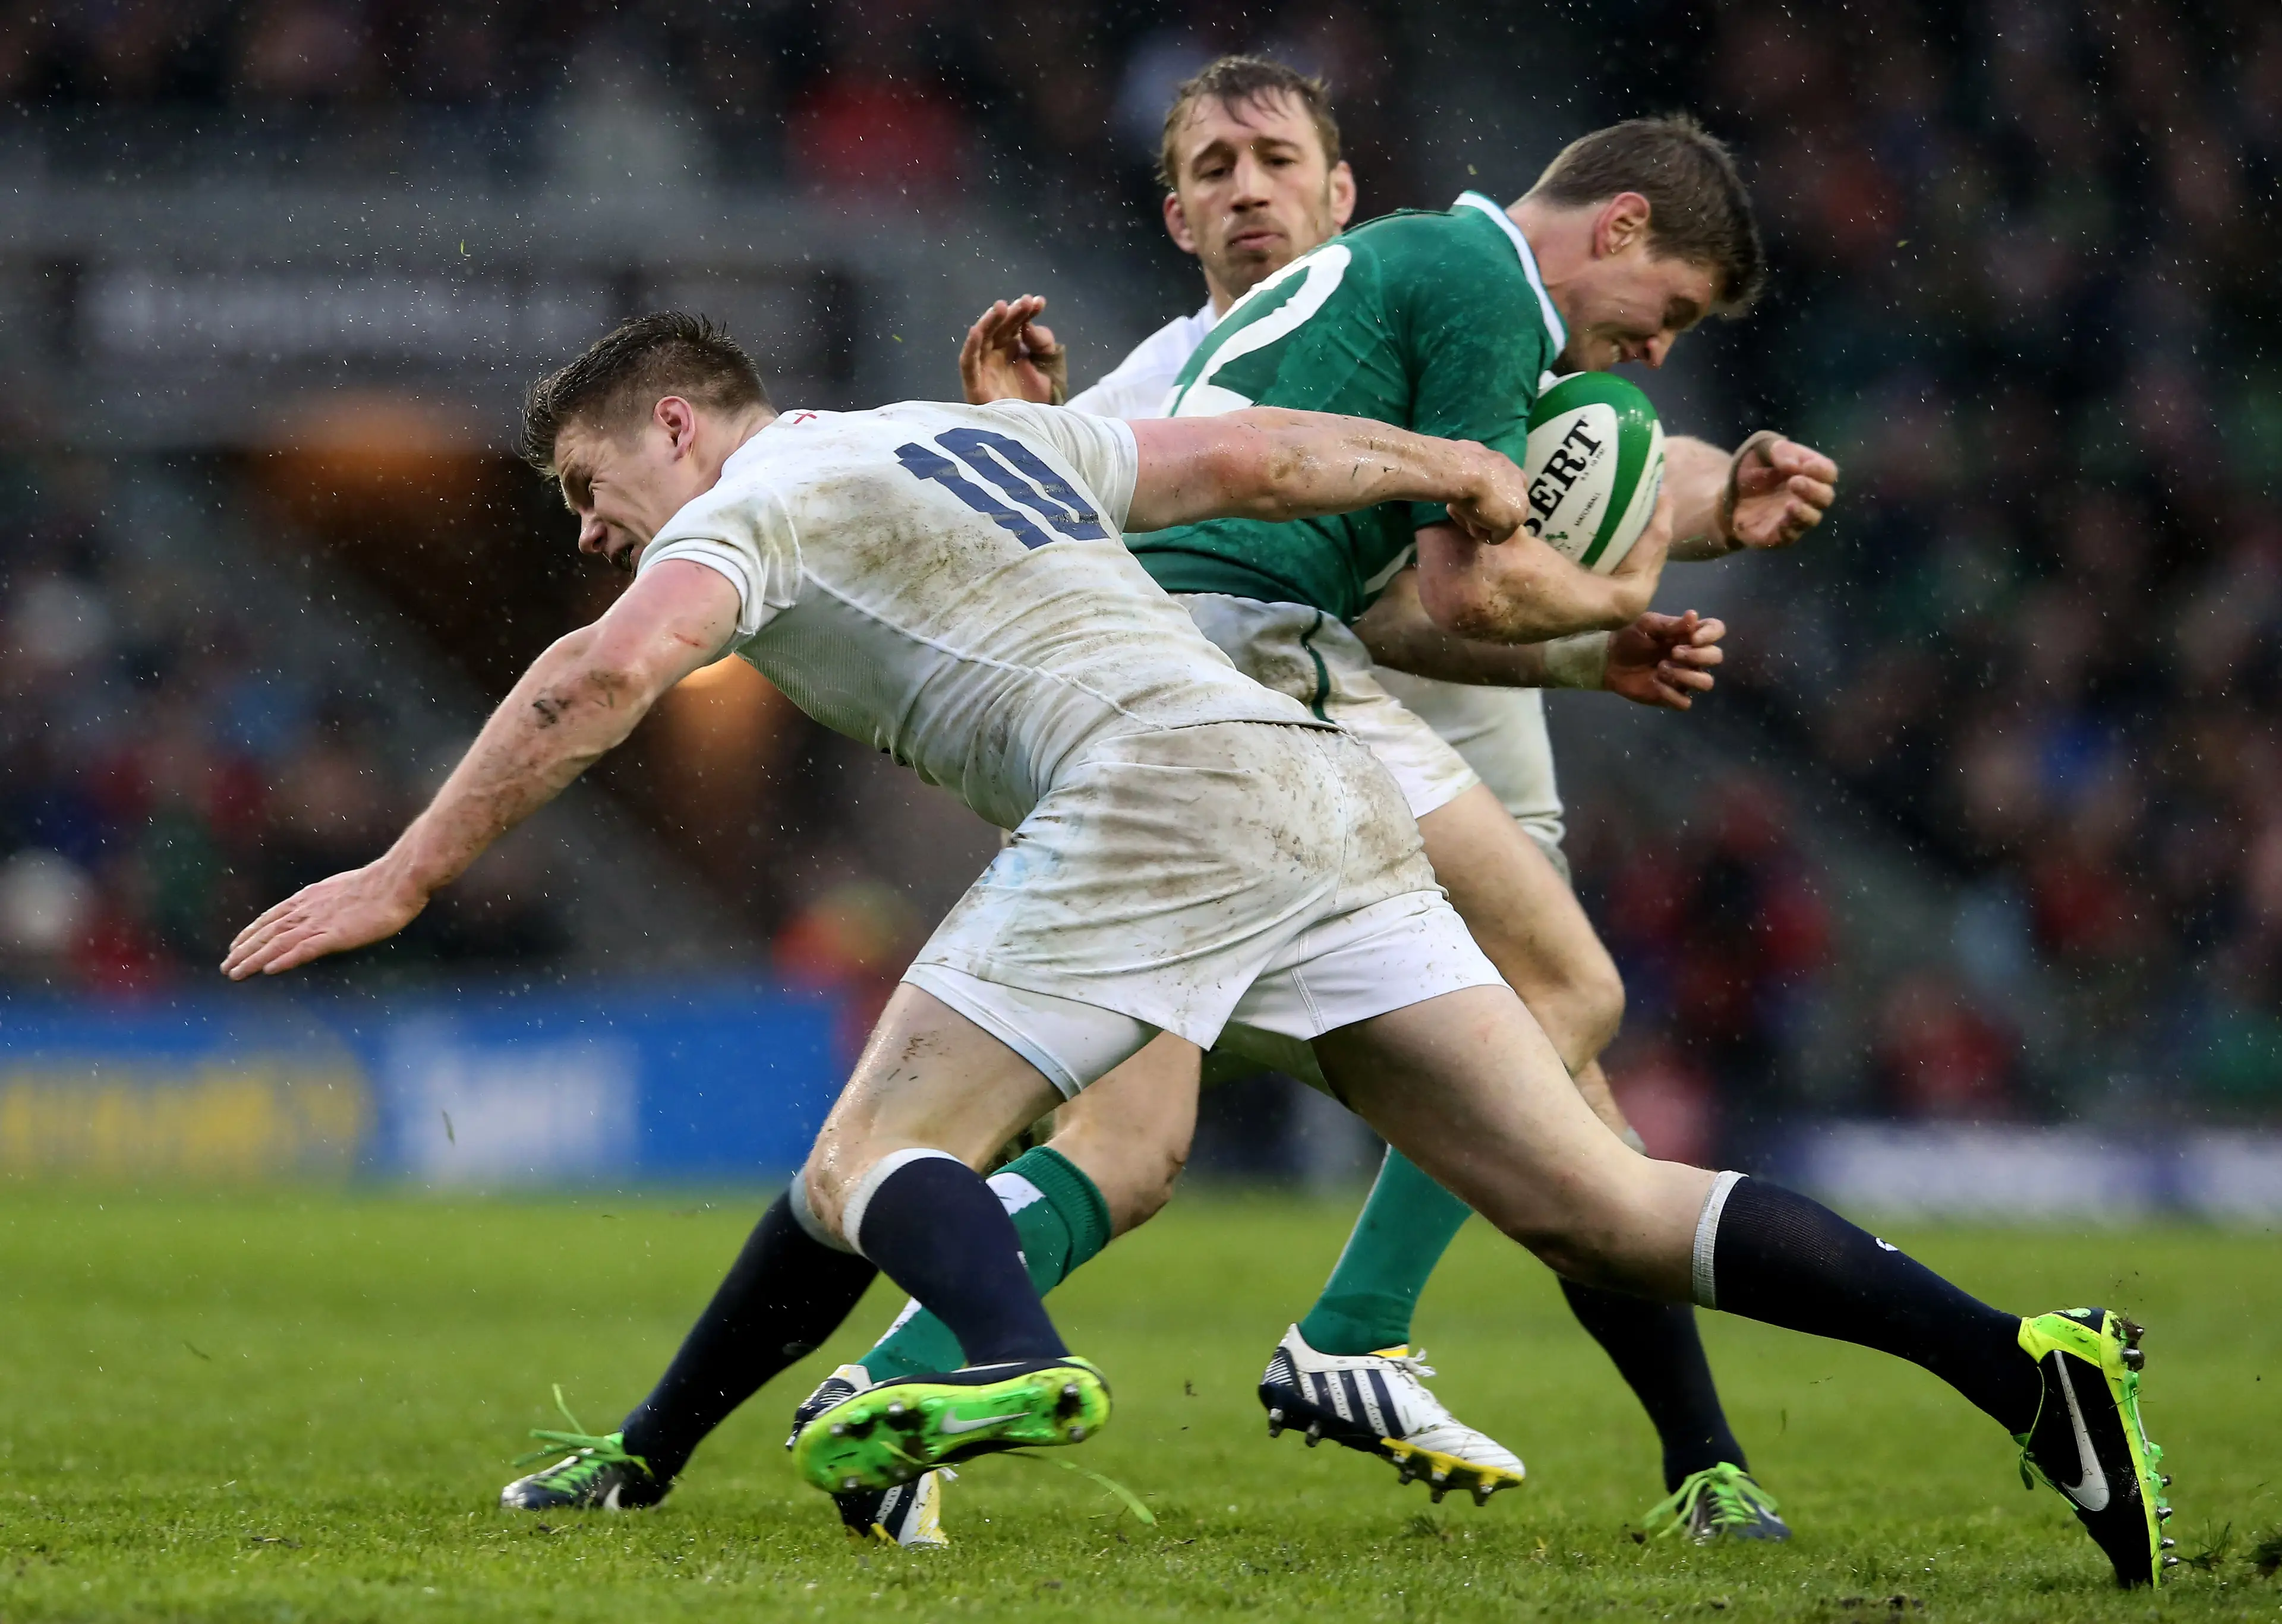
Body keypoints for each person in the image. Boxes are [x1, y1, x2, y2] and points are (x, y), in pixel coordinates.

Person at [227, 313, 2172, 1592]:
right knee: (1604, 1202)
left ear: (676, 424)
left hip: (1148, 792)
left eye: (590, 487)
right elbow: (1240, 465)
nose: (593, 531)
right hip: (1308, 789)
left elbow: (599, 678)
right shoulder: (960, 436)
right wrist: (1442, 466)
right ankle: (2032, 1371)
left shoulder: (755, 498)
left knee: (864, 1163)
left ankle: (1010, 1354)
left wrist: (406, 869)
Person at [833, 60, 1838, 1544]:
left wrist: (1709, 500)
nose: (1251, 191)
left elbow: (1605, 451)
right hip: (1272, 735)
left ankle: (1691, 1451)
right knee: (1531, 1075)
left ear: (1340, 191)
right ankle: (1357, 1339)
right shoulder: (1241, 347)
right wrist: (1013, 437)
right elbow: (1460, 568)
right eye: (1218, 168)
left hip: (1367, 747)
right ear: (1176, 213)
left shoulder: (1480, 308)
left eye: (1276, 159)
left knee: (1546, 1089)